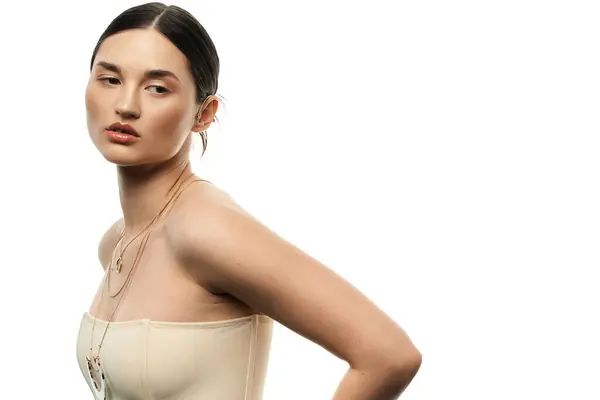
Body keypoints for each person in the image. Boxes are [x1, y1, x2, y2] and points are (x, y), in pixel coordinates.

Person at [75, 3, 422, 399]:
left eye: (157, 88)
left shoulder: (206, 230)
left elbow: (388, 354)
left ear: (204, 114)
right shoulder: (116, 243)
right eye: (109, 79)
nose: (126, 105)